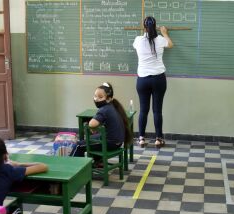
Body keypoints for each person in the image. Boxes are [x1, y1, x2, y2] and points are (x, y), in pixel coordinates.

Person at [132, 16, 174, 148]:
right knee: (157, 110)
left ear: (144, 27)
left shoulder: (138, 40)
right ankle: (158, 139)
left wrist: (147, 32)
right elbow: (171, 45)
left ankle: (141, 139)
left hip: (142, 80)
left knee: (143, 110)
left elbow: (143, 40)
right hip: (158, 79)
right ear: (155, 26)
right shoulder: (161, 39)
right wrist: (164, 33)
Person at [72, 82, 132, 160]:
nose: (96, 99)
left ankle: (76, 168)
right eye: (95, 96)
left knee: (78, 145)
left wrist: (92, 127)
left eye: (100, 97)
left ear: (109, 99)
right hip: (118, 142)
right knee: (93, 138)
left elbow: (91, 124)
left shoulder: (104, 109)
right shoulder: (113, 106)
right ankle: (97, 162)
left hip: (110, 143)